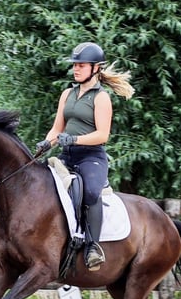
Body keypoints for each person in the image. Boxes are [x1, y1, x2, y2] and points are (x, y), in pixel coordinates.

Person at [36, 41, 134, 271]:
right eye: (75, 65)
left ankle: (92, 246)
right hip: (67, 155)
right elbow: (57, 128)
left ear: (95, 68)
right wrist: (46, 143)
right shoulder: (67, 94)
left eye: (81, 65)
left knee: (90, 192)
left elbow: (102, 135)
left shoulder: (101, 99)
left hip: (91, 157)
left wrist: (75, 139)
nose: (76, 69)